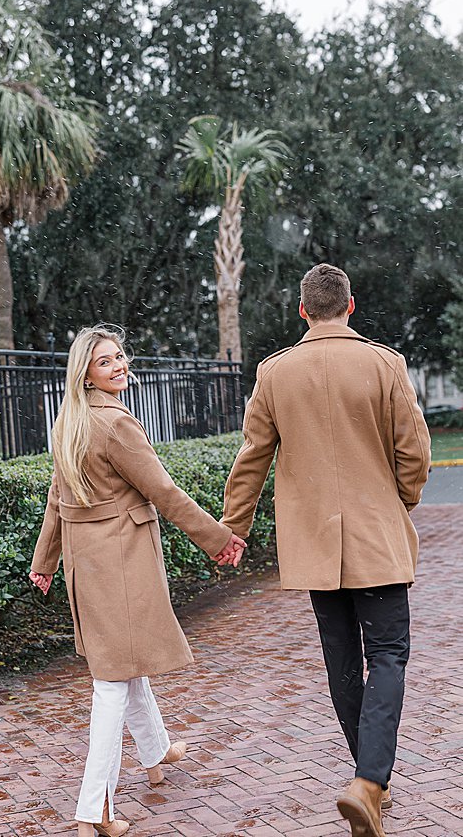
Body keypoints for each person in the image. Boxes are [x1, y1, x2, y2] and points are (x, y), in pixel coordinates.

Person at [218, 264, 430, 837]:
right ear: (351, 306)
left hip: (314, 544)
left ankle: (368, 779)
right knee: (388, 655)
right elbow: (414, 452)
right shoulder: (385, 364)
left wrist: (232, 525)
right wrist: (398, 502)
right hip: (376, 537)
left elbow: (252, 457)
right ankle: (369, 781)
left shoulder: (275, 372)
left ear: (303, 310)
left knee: (342, 659)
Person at [30, 325, 245, 836]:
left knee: (124, 662)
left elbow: (55, 503)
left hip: (90, 563)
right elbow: (164, 491)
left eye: (120, 357)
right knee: (110, 682)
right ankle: (92, 809)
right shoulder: (115, 425)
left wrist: (45, 562)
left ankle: (155, 750)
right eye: (106, 361)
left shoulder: (69, 424)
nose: (119, 365)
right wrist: (217, 538)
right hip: (121, 560)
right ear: (86, 373)